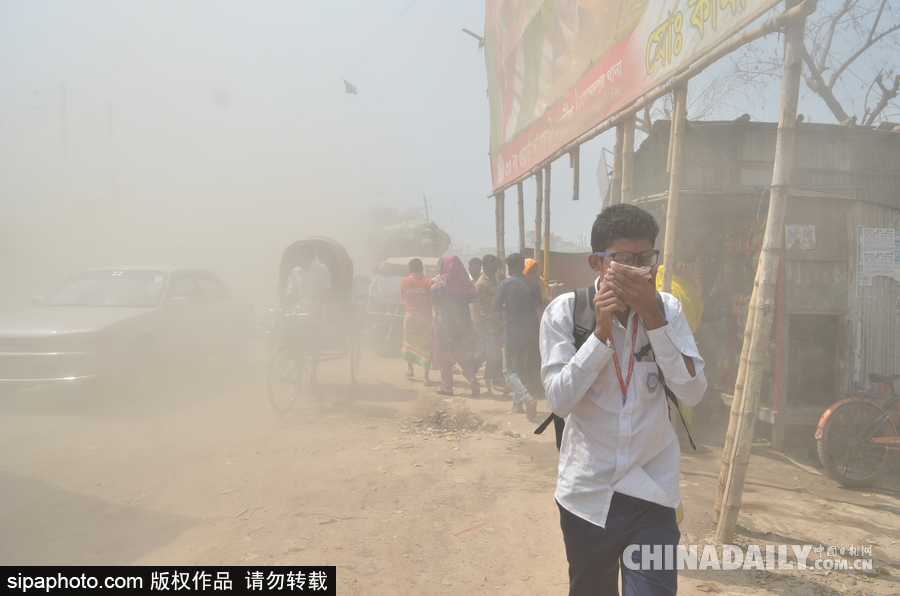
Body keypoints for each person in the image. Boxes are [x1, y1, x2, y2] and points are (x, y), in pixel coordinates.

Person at [540, 204, 707, 596]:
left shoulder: (668, 309)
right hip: (587, 494)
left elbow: (693, 392)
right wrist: (599, 335)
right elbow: (559, 400)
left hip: (652, 492)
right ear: (596, 263)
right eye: (623, 260)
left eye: (645, 259)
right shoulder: (565, 312)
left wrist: (653, 318)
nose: (638, 270)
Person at [493, 252, 543, 420]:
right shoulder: (534, 285)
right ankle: (517, 405)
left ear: (509, 268)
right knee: (521, 369)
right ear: (523, 266)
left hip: (512, 334)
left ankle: (527, 398)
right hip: (528, 334)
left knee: (508, 370)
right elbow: (538, 307)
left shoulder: (504, 284)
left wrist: (502, 315)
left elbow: (496, 306)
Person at [282, 246, 332, 387]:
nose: (299, 260)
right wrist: (284, 305)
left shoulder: (322, 270)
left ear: (309, 257)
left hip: (316, 315)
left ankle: (313, 374)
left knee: (315, 348)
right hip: (300, 314)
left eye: (302, 256)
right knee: (295, 344)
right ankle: (298, 371)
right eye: (298, 257)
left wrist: (319, 307)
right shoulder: (295, 272)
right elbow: (292, 293)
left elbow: (327, 291)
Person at [431, 256, 480, 397]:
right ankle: (472, 379)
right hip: (463, 324)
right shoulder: (466, 283)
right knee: (463, 353)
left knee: (444, 355)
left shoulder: (439, 281)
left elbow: (433, 298)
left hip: (444, 325)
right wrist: (475, 323)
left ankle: (447, 388)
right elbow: (476, 300)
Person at [473, 254, 506, 396]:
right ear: (484, 266)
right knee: (484, 352)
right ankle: (471, 373)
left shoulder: (497, 278)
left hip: (497, 319)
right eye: (490, 266)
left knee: (495, 351)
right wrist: (495, 321)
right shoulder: (481, 283)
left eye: (495, 265)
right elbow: (485, 306)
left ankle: (495, 380)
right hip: (487, 320)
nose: (493, 268)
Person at [400, 258, 433, 384]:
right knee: (426, 346)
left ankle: (410, 369)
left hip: (410, 316)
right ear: (422, 267)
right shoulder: (429, 282)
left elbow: (403, 296)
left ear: (410, 269)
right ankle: (426, 377)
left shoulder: (405, 281)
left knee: (409, 342)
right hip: (426, 317)